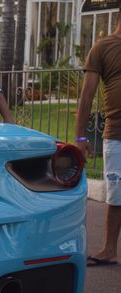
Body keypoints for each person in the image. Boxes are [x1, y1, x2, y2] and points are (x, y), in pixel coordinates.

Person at [76, 7, 121, 267]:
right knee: (116, 195)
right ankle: (109, 249)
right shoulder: (103, 47)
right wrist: (80, 140)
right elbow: (86, 97)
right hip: (116, 133)